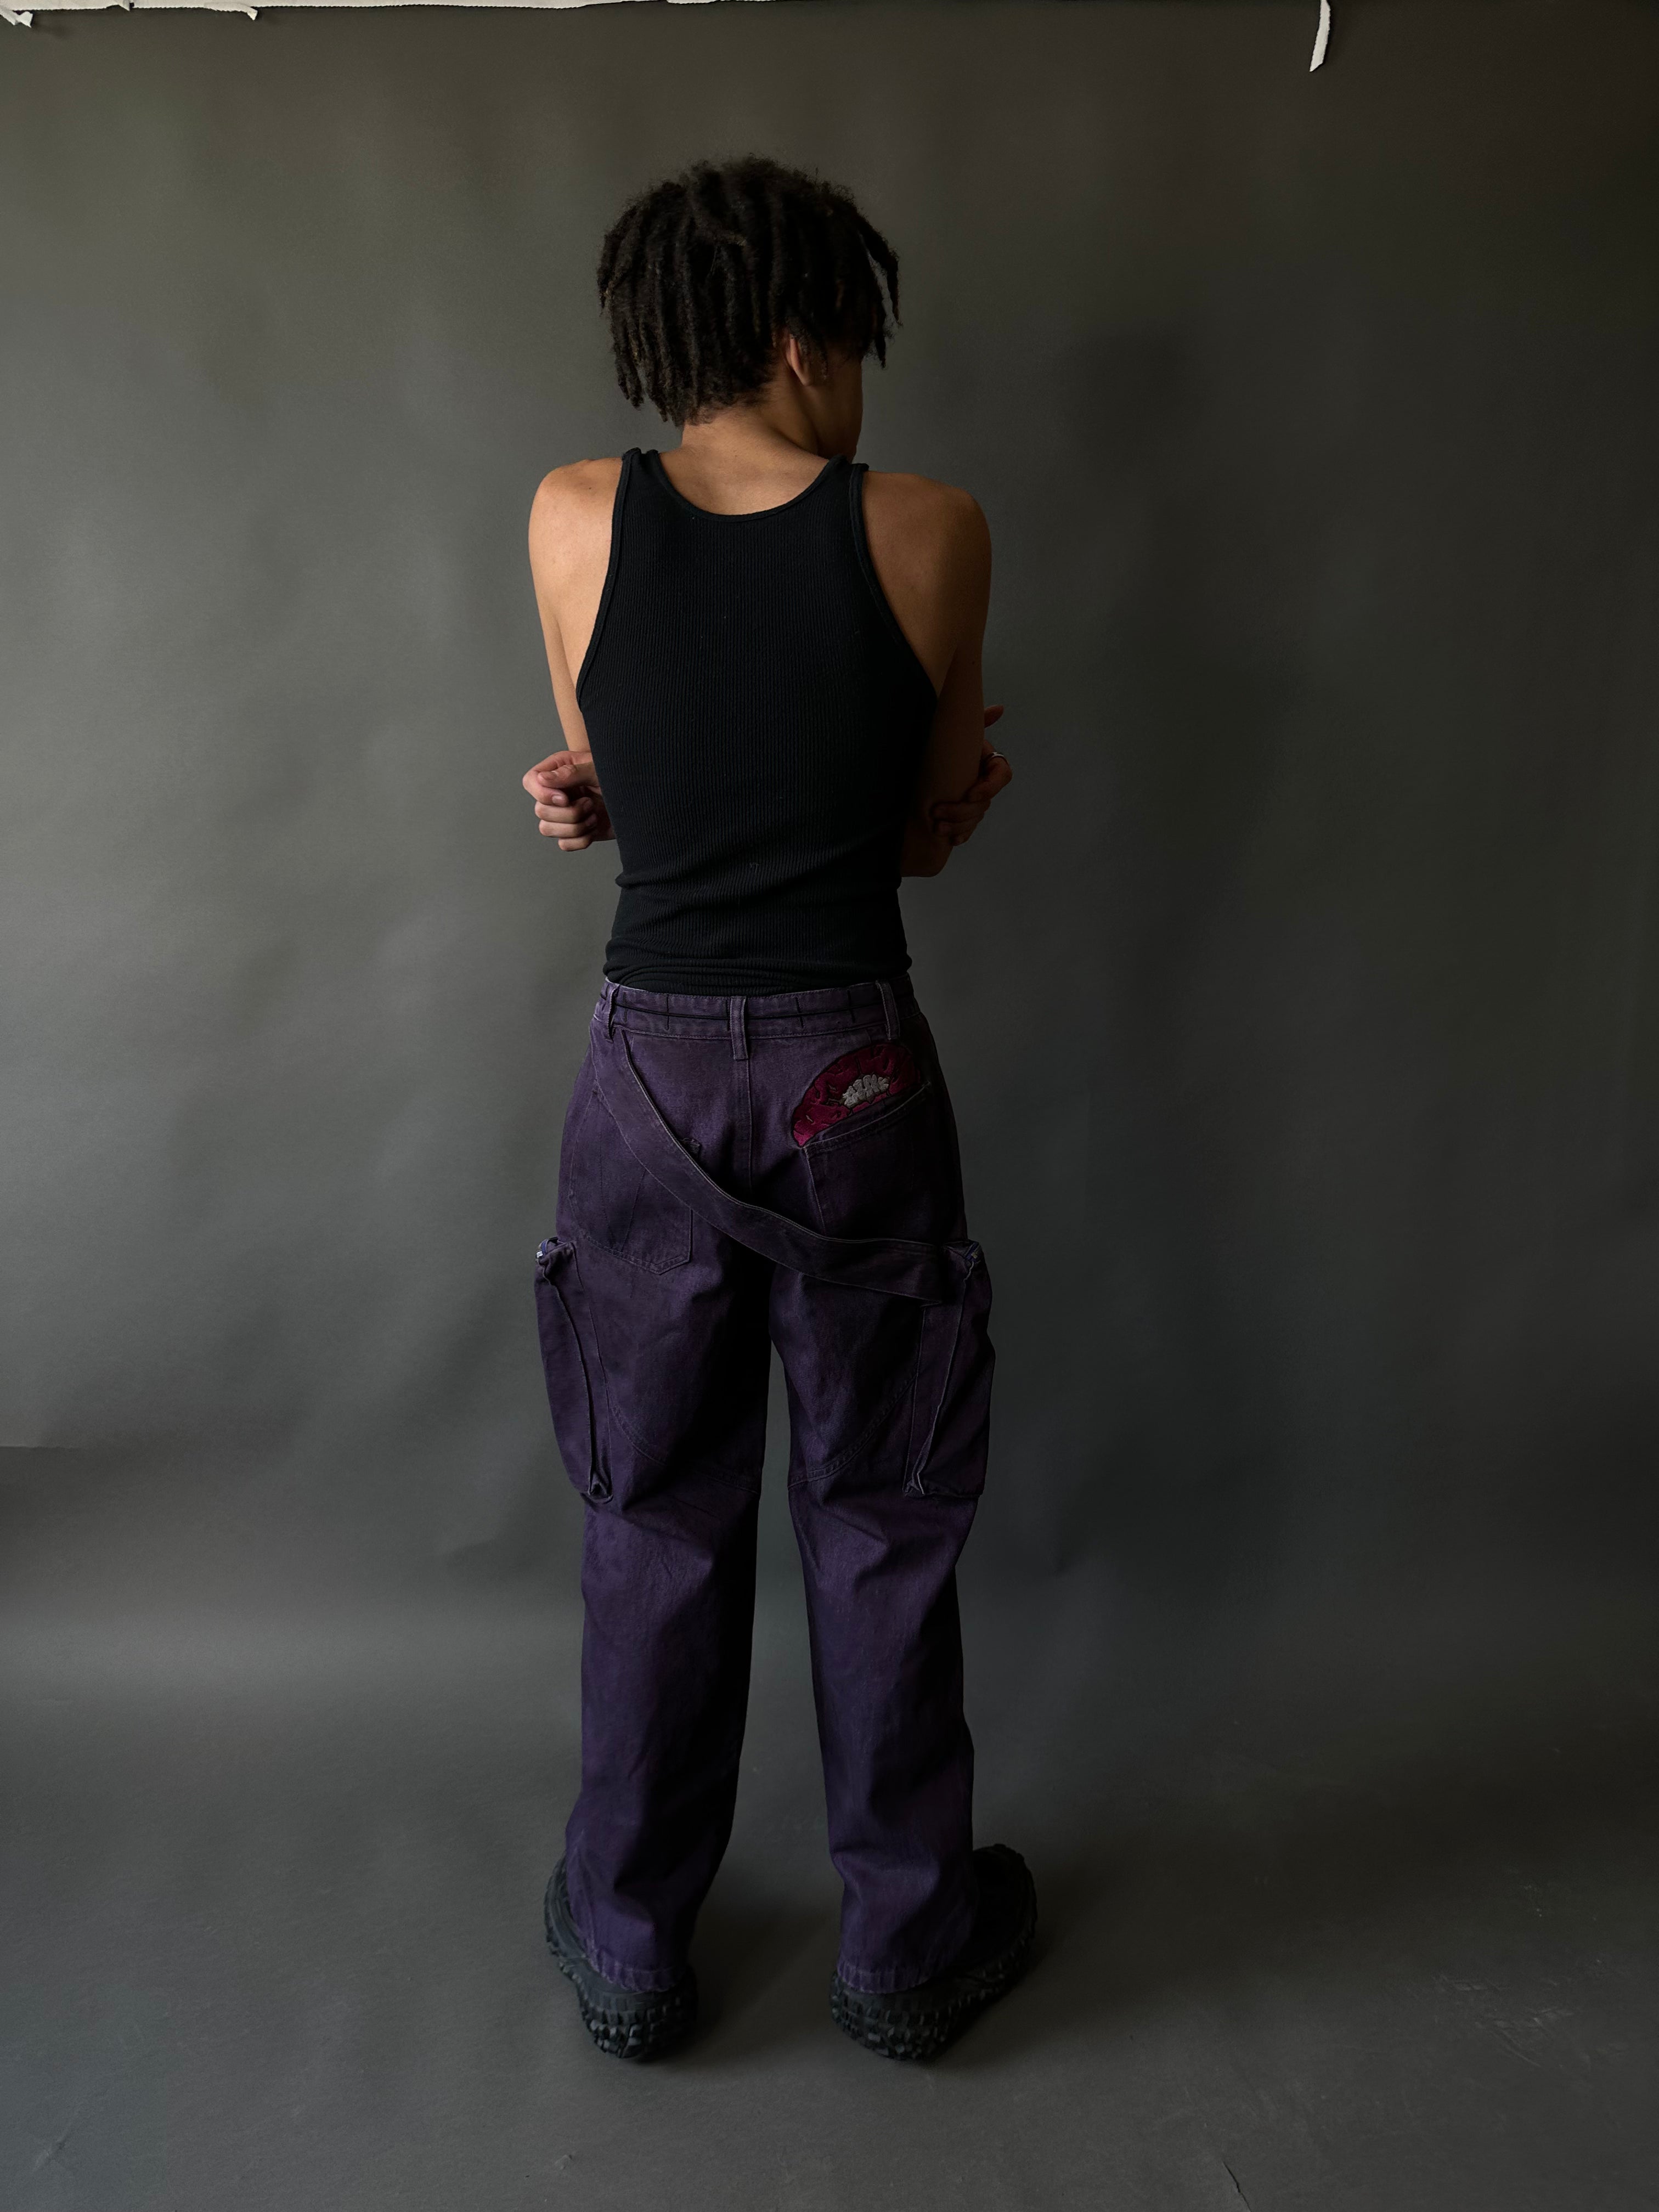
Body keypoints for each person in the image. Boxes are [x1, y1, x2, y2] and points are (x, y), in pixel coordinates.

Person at [520, 156, 1031, 2064]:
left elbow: (617, 782)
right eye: (858, 350)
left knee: (656, 1505)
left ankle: (634, 1944)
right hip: (851, 1062)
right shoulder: (935, 527)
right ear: (809, 339)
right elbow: (917, 838)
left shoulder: (572, 514)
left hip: (650, 1059)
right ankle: (909, 1948)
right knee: (880, 1503)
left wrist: (589, 796)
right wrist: (937, 807)